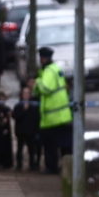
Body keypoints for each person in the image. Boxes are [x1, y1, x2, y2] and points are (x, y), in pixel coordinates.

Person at [34, 46, 73, 174]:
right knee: (64, 144)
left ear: (43, 59)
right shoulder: (55, 69)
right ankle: (68, 168)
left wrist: (38, 81)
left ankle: (52, 167)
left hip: (52, 117)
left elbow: (45, 88)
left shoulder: (49, 71)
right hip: (61, 114)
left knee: (49, 144)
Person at [12, 86, 41, 171]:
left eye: (28, 93)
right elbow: (15, 116)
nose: (26, 95)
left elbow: (37, 118)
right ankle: (19, 165)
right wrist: (23, 110)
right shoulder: (18, 105)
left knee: (31, 149)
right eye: (24, 93)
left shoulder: (34, 105)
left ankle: (32, 165)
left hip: (31, 131)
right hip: (20, 131)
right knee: (19, 149)